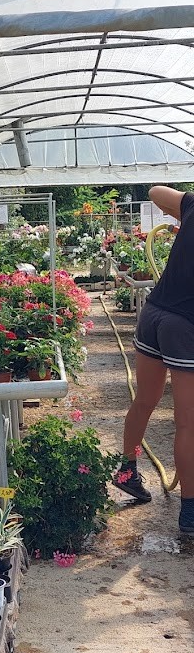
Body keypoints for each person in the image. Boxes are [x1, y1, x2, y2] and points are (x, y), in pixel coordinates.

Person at [113, 186, 194, 535]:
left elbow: (156, 191)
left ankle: (128, 469)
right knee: (188, 422)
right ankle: (190, 510)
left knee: (145, 400)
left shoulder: (193, 205)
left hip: (154, 314)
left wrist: (182, 214)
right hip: (183, 325)